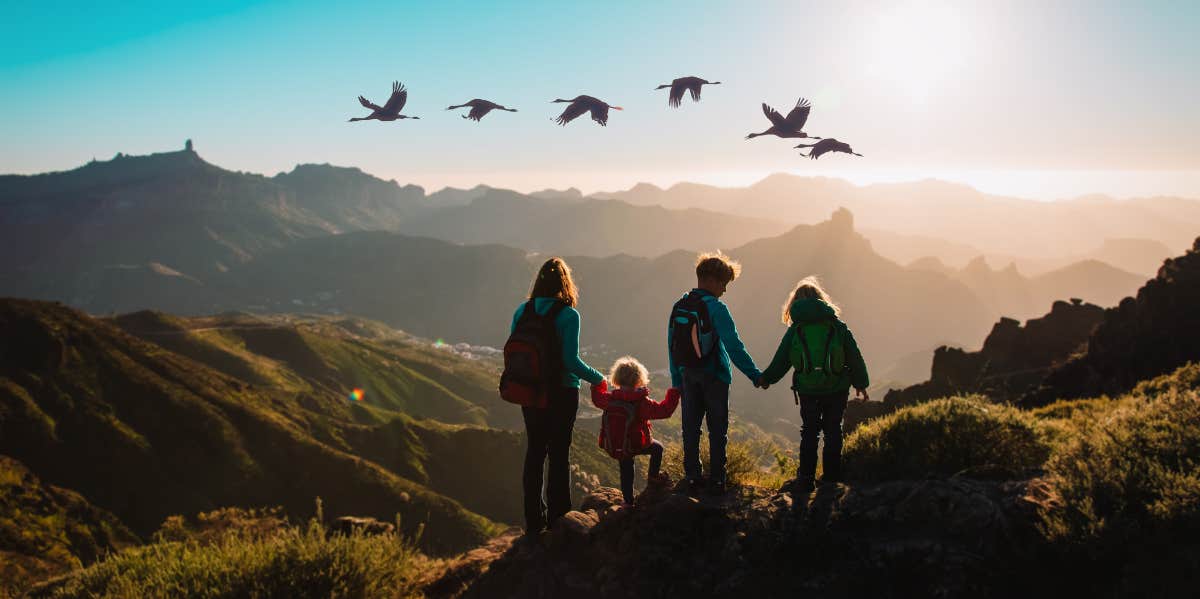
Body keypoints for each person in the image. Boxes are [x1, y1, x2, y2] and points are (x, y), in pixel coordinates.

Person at [511, 257, 606, 533]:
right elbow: (570, 360)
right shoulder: (568, 315)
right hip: (561, 392)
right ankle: (558, 518)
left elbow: (516, 352)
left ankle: (533, 520)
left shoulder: (523, 311)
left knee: (535, 451)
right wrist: (598, 378)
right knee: (559, 453)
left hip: (529, 392)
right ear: (566, 284)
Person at [758, 276, 869, 493]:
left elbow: (782, 360)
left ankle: (806, 479)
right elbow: (854, 356)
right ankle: (830, 479)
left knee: (809, 432)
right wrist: (861, 383)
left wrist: (766, 379)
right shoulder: (836, 325)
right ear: (821, 299)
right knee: (833, 431)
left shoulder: (796, 329)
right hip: (836, 388)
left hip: (808, 389)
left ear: (795, 303)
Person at [667, 252, 763, 495]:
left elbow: (672, 344)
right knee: (717, 429)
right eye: (723, 284)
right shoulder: (717, 309)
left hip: (688, 374)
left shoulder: (681, 305)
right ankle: (718, 479)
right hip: (715, 376)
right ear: (711, 280)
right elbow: (734, 346)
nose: (724, 290)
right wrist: (754, 374)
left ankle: (692, 476)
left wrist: (676, 379)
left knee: (690, 426)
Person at [590, 356, 680, 506]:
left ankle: (628, 501)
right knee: (658, 448)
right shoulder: (641, 402)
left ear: (617, 378)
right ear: (639, 379)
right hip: (638, 443)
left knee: (626, 470)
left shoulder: (611, 398)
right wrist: (674, 392)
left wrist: (598, 383)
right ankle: (653, 479)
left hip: (619, 444)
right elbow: (665, 411)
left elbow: (596, 398)